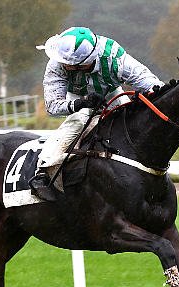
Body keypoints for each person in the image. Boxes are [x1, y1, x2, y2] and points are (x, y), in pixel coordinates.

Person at [30, 26, 165, 200]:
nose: (62, 63)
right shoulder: (57, 62)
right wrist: (82, 103)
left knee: (133, 122)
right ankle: (43, 172)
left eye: (68, 63)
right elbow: (53, 106)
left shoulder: (114, 57)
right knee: (76, 124)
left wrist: (156, 92)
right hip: (77, 97)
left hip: (112, 94)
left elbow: (148, 82)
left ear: (85, 62)